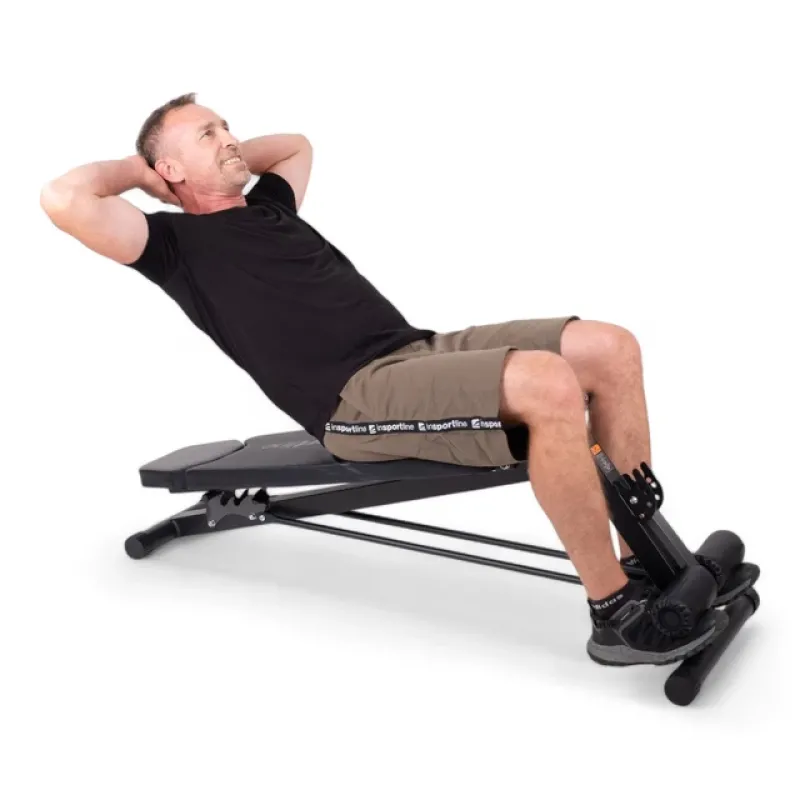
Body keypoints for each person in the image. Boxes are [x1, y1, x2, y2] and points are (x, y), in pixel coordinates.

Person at [40, 92, 726, 666]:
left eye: (227, 126)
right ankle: (615, 615)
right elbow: (62, 196)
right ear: (167, 166)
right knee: (548, 384)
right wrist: (142, 172)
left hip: (416, 349)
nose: (229, 138)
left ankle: (647, 562)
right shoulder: (170, 247)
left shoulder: (271, 208)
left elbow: (297, 145)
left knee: (610, 347)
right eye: (208, 134)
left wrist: (220, 152)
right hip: (355, 398)